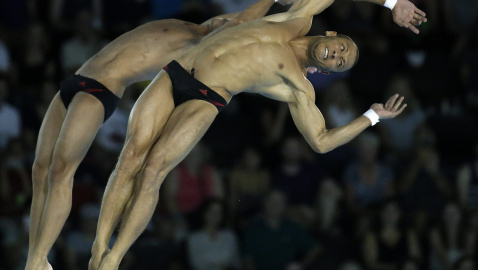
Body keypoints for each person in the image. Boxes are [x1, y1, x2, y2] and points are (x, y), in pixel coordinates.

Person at [91, 0, 427, 269]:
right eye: (340, 48)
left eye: (339, 63)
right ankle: (97, 253)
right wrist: (392, 2)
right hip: (176, 71)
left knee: (152, 171)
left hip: (207, 97)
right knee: (130, 157)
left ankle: (115, 258)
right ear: (331, 34)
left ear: (327, 72)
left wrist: (371, 116)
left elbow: (321, 142)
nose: (336, 55)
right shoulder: (298, 17)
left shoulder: (299, 86)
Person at [25, 1, 283, 269]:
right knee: (40, 170)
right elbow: (238, 16)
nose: (223, 21)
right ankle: (34, 258)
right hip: (75, 80)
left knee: (61, 170)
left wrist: (274, 2)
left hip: (100, 89)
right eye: (222, 19)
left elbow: (247, 23)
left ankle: (41, 260)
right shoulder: (184, 24)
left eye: (226, 24)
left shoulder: (196, 45)